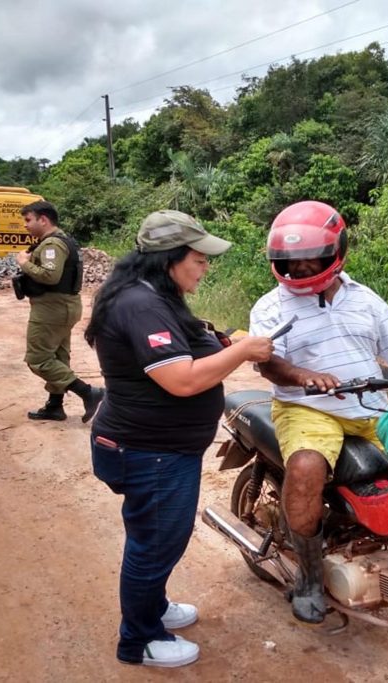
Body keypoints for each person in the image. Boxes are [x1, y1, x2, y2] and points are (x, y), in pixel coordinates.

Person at [248, 201, 388, 624]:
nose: (300, 267)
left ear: (336, 252)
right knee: (308, 468)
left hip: (370, 407)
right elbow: (268, 363)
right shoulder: (270, 306)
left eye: (309, 257)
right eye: (290, 261)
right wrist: (305, 374)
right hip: (307, 410)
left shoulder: (362, 297)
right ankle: (310, 578)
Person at [86, 210, 273, 668]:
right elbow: (182, 380)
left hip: (159, 449)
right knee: (154, 544)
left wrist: (225, 344)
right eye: (199, 258)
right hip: (148, 452)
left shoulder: (155, 296)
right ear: (170, 257)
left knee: (160, 539)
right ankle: (140, 639)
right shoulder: (142, 304)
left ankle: (151, 606)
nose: (206, 267)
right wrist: (245, 351)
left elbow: (186, 350)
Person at [15, 200, 103, 422]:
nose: (25, 225)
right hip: (63, 307)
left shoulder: (52, 245)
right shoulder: (63, 240)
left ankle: (87, 392)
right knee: (58, 357)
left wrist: (24, 263)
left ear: (43, 220)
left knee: (38, 358)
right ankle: (55, 406)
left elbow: (50, 275)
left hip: (51, 308)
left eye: (28, 220)